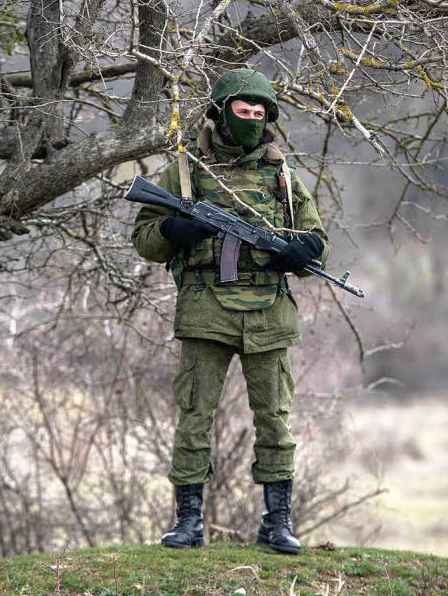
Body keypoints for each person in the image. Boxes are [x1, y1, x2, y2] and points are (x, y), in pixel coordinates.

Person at [130, 68, 330, 555]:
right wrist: (175, 231)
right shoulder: (183, 171)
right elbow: (144, 238)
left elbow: (317, 240)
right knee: (195, 415)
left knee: (276, 418)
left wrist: (302, 252)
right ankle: (189, 521)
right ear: (220, 112)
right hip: (205, 307)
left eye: (260, 114)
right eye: (243, 112)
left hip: (268, 311)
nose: (252, 120)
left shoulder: (282, 175)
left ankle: (277, 521)